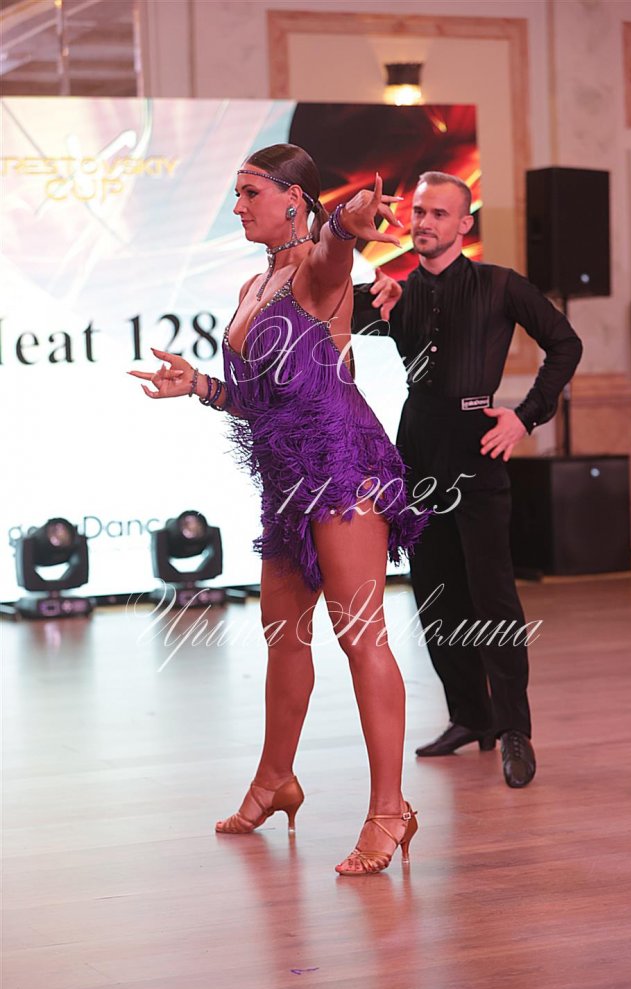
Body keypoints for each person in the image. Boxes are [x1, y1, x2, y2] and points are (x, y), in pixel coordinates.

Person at [129, 144, 424, 875]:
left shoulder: (318, 272)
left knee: (361, 639)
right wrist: (200, 385)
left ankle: (391, 810)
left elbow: (336, 246)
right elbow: (260, 401)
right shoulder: (252, 284)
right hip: (288, 480)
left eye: (250, 192)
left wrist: (349, 220)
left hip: (344, 469)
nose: (237, 207)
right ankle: (274, 780)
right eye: (235, 193)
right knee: (284, 636)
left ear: (295, 198)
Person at [352, 171, 583, 788]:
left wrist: (525, 416)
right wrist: (355, 242)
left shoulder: (500, 285)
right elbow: (321, 306)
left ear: (463, 224)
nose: (424, 222)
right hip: (417, 447)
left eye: (438, 214)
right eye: (418, 212)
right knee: (433, 593)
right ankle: (469, 716)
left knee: (492, 595)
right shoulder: (394, 293)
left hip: (478, 448)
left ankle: (513, 730)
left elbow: (565, 344)